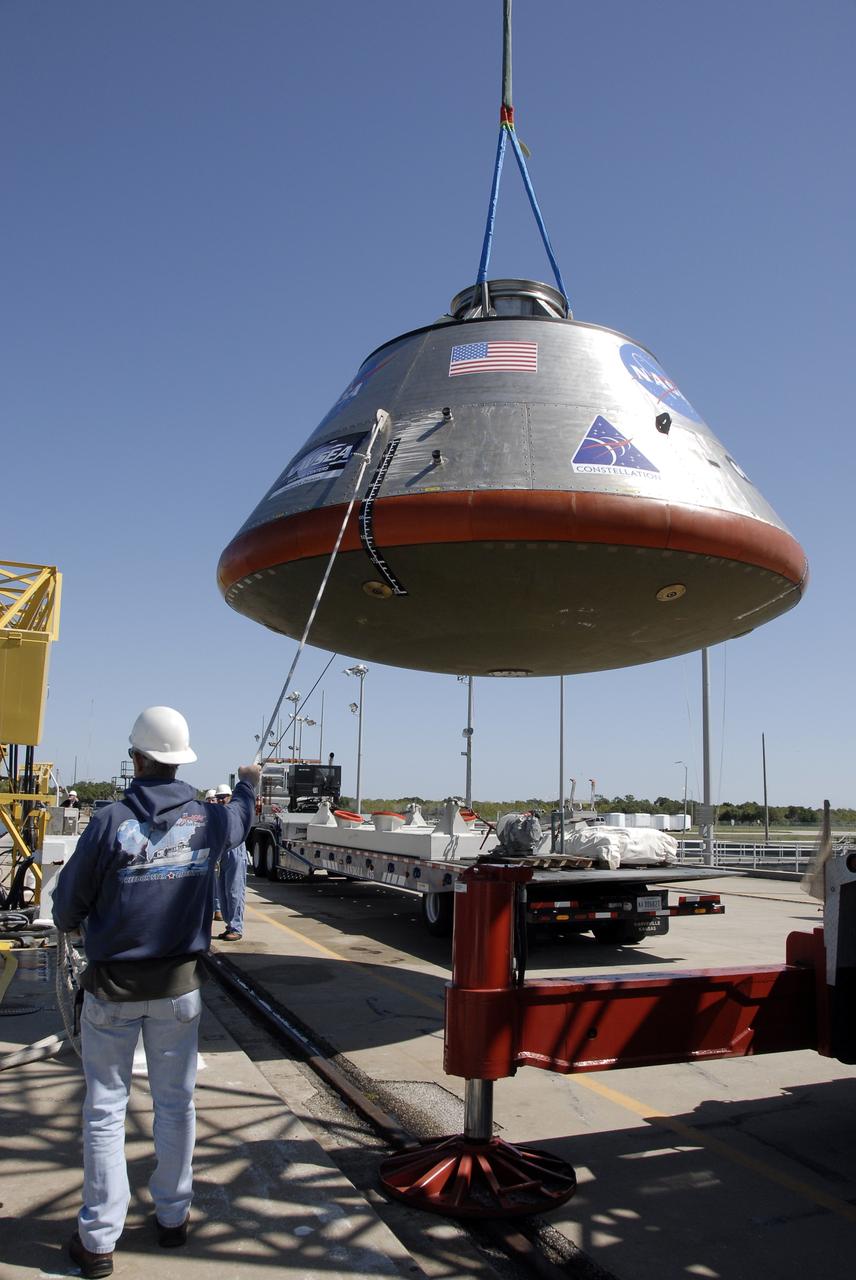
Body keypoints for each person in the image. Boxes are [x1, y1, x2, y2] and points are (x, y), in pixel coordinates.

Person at [52, 705, 260, 1279]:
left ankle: (98, 1239)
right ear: (180, 760)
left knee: (104, 1111)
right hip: (179, 993)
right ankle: (172, 1216)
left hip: (112, 992)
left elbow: (67, 906)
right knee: (176, 1105)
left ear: (138, 758)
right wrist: (247, 783)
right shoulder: (207, 819)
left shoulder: (108, 821)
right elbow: (241, 818)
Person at [213, 783, 247, 942]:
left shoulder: (234, 811)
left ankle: (236, 927)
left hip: (235, 851)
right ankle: (230, 925)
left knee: (234, 891)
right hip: (222, 852)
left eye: (223, 797)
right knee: (222, 891)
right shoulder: (219, 813)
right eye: (218, 798)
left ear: (230, 797)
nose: (220, 800)